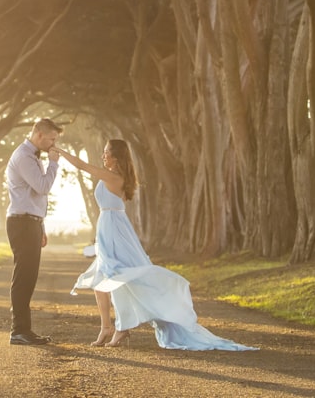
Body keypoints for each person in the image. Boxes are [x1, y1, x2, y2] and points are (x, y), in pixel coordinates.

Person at [55, 140, 257, 351]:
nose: (103, 156)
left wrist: (61, 151)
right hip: (109, 228)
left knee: (113, 277)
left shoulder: (113, 177)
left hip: (114, 230)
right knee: (104, 279)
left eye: (106, 153)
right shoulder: (113, 175)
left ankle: (116, 327)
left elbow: (82, 166)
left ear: (115, 158)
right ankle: (110, 327)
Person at [5, 118, 63, 345]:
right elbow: (43, 187)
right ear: (39, 135)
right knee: (23, 278)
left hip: (31, 223)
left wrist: (41, 226)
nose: (53, 144)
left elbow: (35, 197)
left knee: (29, 278)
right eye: (51, 139)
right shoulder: (23, 157)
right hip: (21, 223)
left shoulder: (31, 156)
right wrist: (54, 163)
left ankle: (23, 330)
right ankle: (18, 330)